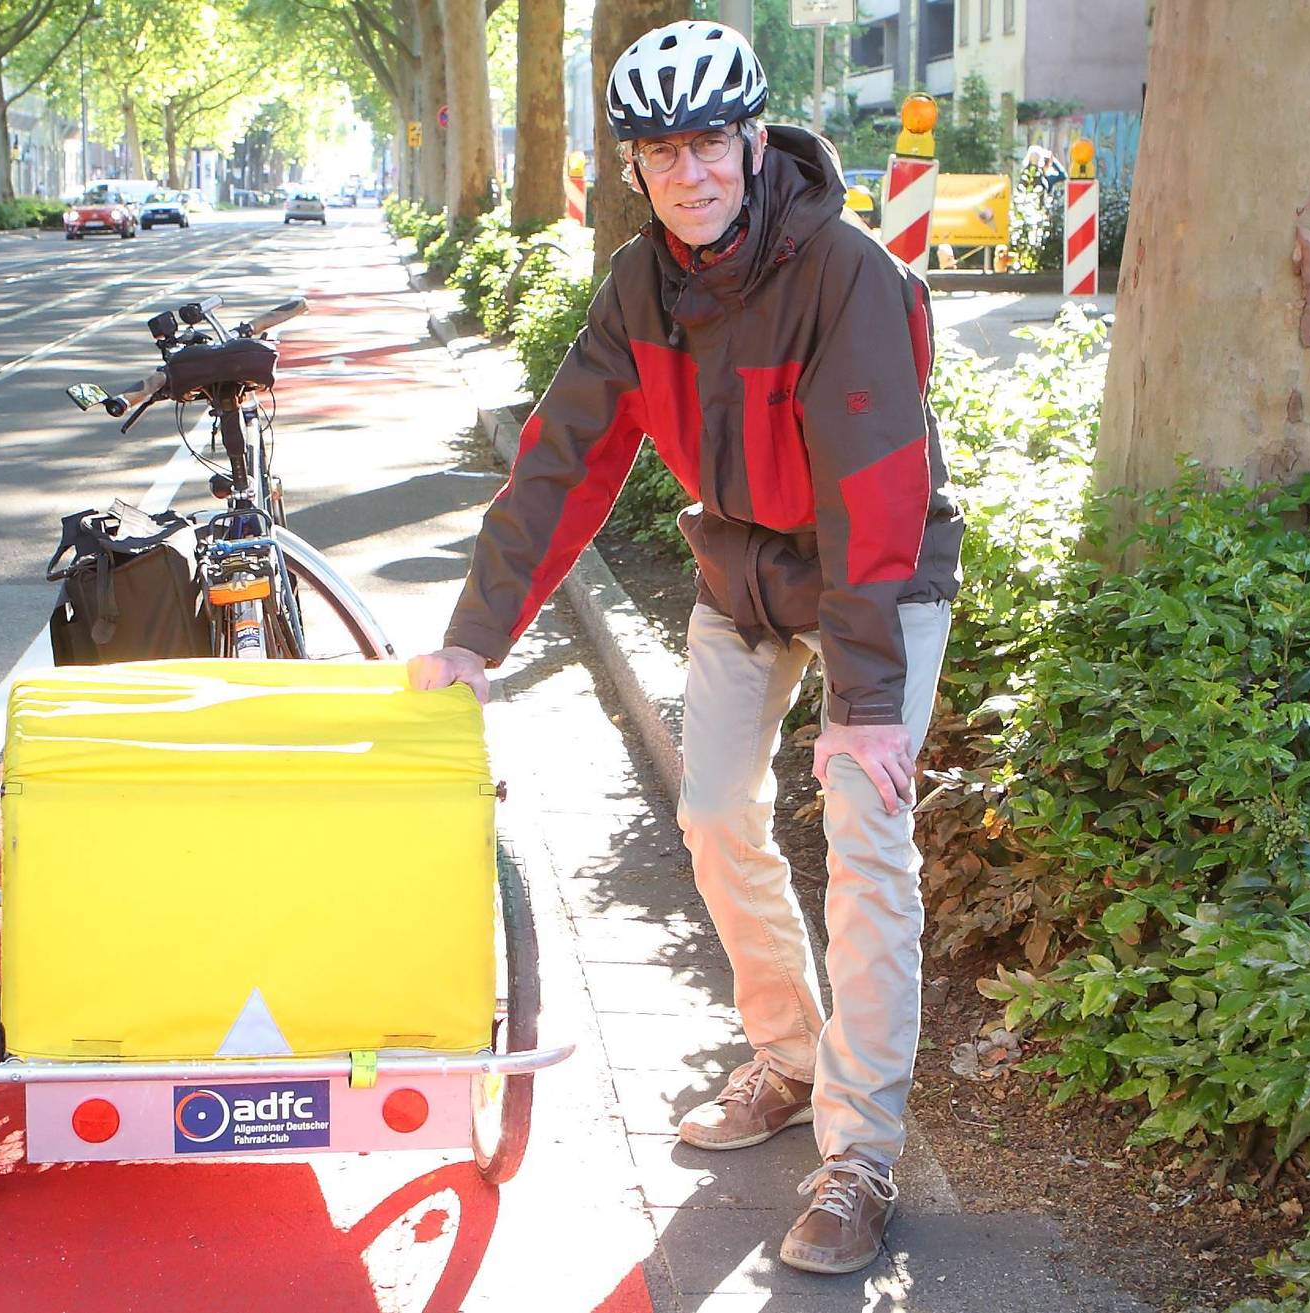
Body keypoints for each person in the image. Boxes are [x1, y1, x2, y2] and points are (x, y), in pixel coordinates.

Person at [406, 19, 962, 1277]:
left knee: (868, 833)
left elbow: (877, 502)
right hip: (741, 568)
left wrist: (867, 710)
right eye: (662, 153)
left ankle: (859, 1153)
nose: (691, 173)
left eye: (710, 141)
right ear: (636, 171)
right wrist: (475, 637)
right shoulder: (638, 289)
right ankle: (787, 1055)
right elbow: (561, 463)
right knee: (714, 809)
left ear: (754, 140)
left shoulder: (847, 277)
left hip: (877, 580)